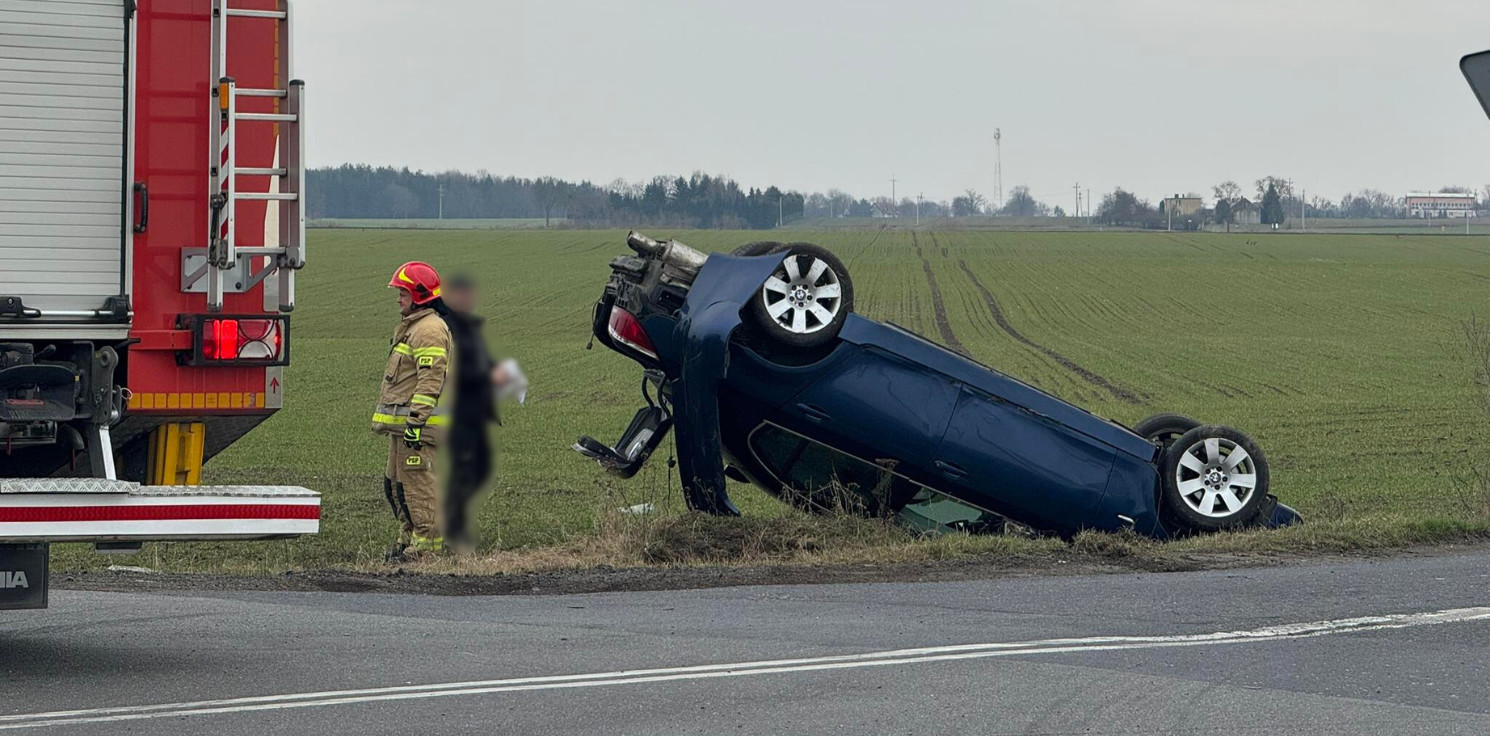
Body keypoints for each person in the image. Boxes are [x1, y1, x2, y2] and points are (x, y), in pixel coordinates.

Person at [372, 261, 453, 562]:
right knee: (397, 486)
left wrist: (416, 422)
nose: (398, 299)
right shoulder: (414, 327)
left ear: (419, 296)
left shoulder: (429, 331)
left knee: (418, 486)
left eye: (403, 293)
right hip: (404, 426)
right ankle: (407, 539)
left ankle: (427, 549)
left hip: (417, 427)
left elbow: (430, 380)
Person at [440, 274, 504, 553]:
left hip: (477, 410)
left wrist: (496, 370)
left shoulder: (469, 325)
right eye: (462, 294)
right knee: (465, 471)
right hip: (458, 412)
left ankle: (454, 523)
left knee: (481, 469)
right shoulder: (448, 328)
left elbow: (480, 358)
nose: (468, 299)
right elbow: (455, 369)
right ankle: (453, 530)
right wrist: (488, 375)